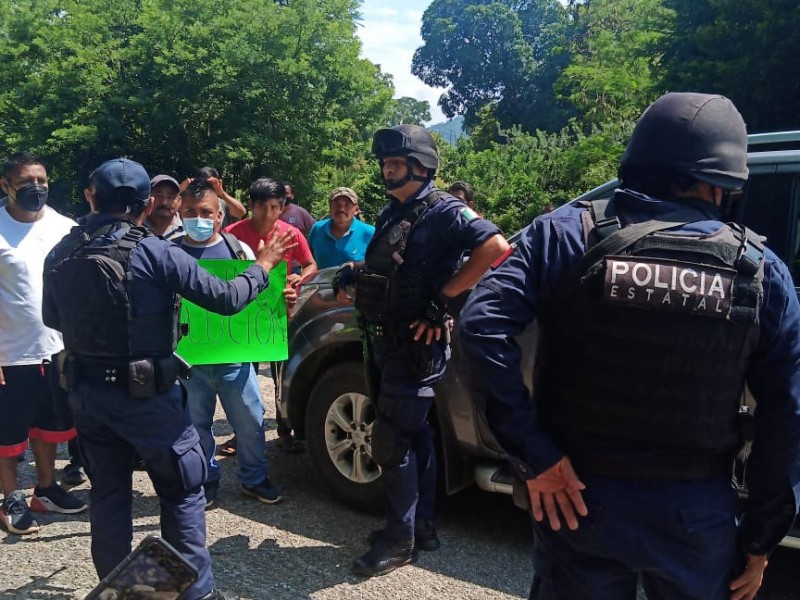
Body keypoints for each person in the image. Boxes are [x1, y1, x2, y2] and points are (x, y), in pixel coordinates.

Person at [459, 92, 800, 600]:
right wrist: (760, 540)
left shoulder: (566, 234)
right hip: (696, 511)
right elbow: (787, 414)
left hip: (576, 494)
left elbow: (480, 325)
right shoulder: (762, 271)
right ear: (722, 183)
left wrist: (537, 455)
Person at [42, 158, 294, 600]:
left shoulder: (62, 250)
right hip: (148, 400)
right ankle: (196, 595)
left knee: (109, 495)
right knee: (181, 491)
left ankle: (125, 592)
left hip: (88, 397)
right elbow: (228, 297)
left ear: (91, 196)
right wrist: (265, 264)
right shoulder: (156, 251)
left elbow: (51, 316)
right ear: (147, 203)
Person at [334, 124, 509, 577]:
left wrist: (442, 301)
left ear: (422, 165)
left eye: (396, 163)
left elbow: (495, 246)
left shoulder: (445, 209)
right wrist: (354, 271)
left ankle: (398, 541)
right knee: (417, 437)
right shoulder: (397, 210)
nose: (388, 170)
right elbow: (395, 265)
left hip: (416, 344)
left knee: (391, 440)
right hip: (387, 338)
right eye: (386, 163)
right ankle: (422, 527)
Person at [175, 178, 282, 508]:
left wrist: (281, 295)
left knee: (251, 421)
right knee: (196, 426)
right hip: (188, 359)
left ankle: (254, 478)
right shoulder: (171, 252)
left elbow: (258, 291)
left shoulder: (240, 250)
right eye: (190, 211)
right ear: (180, 213)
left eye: (206, 211)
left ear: (219, 215)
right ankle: (206, 481)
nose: (199, 217)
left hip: (235, 354)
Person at [0, 151, 88, 536]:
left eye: (42, 180)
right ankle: (10, 497)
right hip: (9, 352)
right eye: (26, 182)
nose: (36, 187)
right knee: (8, 433)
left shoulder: (66, 228)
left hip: (57, 349)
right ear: (6, 186)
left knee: (49, 425)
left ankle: (45, 490)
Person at [225, 178, 315, 452]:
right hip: (241, 314)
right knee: (242, 375)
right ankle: (242, 432)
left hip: (278, 313)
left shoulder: (290, 234)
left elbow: (310, 264)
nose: (268, 213)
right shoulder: (231, 233)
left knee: (280, 375)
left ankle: (284, 430)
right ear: (250, 205)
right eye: (262, 206)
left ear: (283, 207)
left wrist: (298, 281)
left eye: (275, 206)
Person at [308, 187, 375, 269]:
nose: (341, 209)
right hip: (321, 281)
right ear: (330, 208)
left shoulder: (369, 233)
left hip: (356, 281)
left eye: (347, 205)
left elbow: (377, 262)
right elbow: (308, 262)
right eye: (337, 205)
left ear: (356, 210)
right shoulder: (317, 229)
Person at [144, 174, 183, 239]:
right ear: (148, 198)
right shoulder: (134, 227)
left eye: (171, 197)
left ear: (179, 201)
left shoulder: (188, 232)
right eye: (158, 196)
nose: (164, 202)